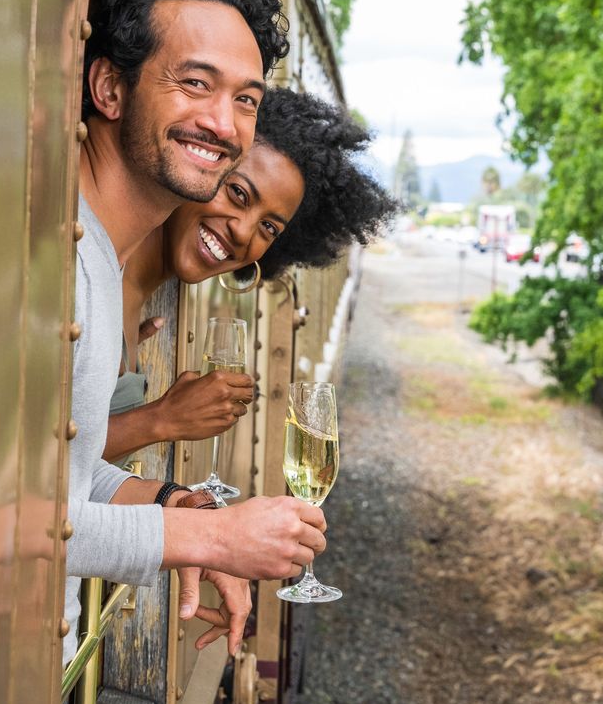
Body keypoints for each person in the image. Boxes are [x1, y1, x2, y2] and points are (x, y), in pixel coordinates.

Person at [60, 0, 328, 689]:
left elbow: (62, 484)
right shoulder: (53, 263)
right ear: (109, 87)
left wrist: (181, 510)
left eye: (246, 100)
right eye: (196, 83)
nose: (223, 122)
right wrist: (209, 534)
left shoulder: (97, 259)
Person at [104, 86, 398, 462]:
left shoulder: (132, 301)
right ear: (200, 165)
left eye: (269, 228)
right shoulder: (95, 279)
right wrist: (162, 420)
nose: (243, 233)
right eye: (239, 194)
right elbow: (44, 463)